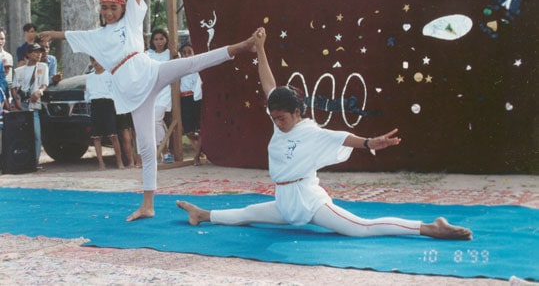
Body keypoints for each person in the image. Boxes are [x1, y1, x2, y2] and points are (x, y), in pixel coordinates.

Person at [39, 0, 258, 222]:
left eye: (113, 7)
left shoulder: (130, 19)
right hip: (133, 94)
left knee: (194, 62)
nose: (108, 12)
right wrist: (49, 35)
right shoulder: (95, 36)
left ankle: (241, 46)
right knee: (146, 146)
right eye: (104, 8)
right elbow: (67, 35)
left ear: (122, 8)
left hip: (150, 71)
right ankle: (148, 204)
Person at [176, 27, 473, 240]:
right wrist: (261, 47)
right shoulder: (279, 116)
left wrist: (370, 142)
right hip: (284, 201)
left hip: (308, 201)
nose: (277, 122)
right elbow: (268, 84)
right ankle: (201, 214)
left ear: (297, 113)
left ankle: (429, 227)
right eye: (274, 117)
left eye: (282, 118)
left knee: (361, 228)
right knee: (247, 214)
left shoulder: (310, 131)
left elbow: (341, 136)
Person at [85, 57, 126, 170]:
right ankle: (101, 164)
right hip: (95, 105)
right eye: (93, 61)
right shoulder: (89, 77)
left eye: (98, 60)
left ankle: (120, 162)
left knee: (113, 135)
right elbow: (87, 95)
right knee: (96, 137)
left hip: (108, 104)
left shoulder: (110, 74)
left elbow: (115, 91)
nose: (96, 63)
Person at [11, 43, 49, 163]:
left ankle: (35, 161)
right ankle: (21, 161)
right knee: (21, 135)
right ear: (28, 54)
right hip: (21, 105)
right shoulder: (19, 71)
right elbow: (14, 89)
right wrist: (18, 104)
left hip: (34, 105)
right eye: (35, 52)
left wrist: (39, 92)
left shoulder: (43, 67)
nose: (38, 54)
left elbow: (44, 84)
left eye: (40, 52)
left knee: (36, 135)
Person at [146, 28, 173, 164]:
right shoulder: (148, 54)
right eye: (156, 39)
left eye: (161, 39)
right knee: (152, 122)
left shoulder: (171, 53)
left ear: (166, 39)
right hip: (151, 91)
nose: (159, 42)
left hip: (165, 91)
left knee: (156, 120)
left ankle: (165, 151)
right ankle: (159, 152)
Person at [179, 43, 204, 165]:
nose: (187, 54)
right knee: (188, 130)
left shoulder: (198, 66)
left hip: (196, 99)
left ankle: (197, 156)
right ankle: (201, 150)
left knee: (200, 129)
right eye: (184, 52)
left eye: (189, 51)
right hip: (184, 99)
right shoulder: (179, 68)